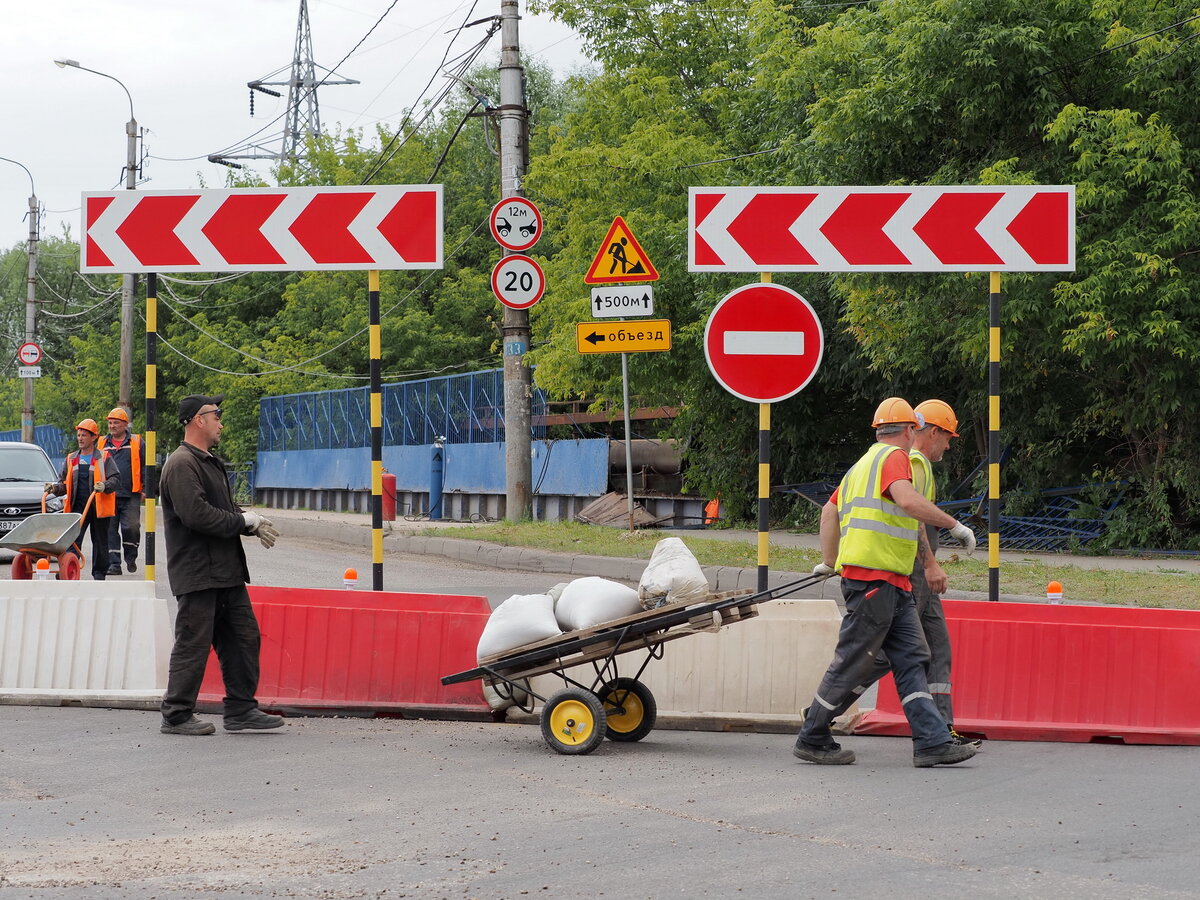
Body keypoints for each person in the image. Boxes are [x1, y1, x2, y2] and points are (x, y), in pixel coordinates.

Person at [795, 398, 979, 768]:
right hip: (874, 580)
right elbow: (909, 503)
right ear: (911, 429)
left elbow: (829, 512)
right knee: (852, 662)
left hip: (891, 582)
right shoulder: (895, 458)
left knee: (913, 657)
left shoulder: (860, 465)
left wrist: (831, 562)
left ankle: (931, 741)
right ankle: (812, 733)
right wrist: (953, 525)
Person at [158, 394, 282, 736]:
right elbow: (196, 515)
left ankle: (241, 709)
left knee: (243, 638)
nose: (220, 422)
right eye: (216, 416)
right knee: (192, 644)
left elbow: (221, 508)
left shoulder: (208, 461)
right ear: (199, 420)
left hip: (225, 572)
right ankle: (177, 714)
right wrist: (243, 523)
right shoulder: (182, 464)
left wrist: (248, 520)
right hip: (198, 573)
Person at [45, 419, 119, 580]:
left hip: (99, 509)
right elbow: (63, 484)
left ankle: (99, 575)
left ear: (94, 437)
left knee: (100, 542)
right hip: (77, 508)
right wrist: (54, 488)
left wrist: (104, 486)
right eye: (78, 435)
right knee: (72, 541)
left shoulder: (104, 458)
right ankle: (68, 569)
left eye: (84, 435)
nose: (80, 438)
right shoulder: (71, 458)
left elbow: (115, 480)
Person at [97, 407, 144, 575]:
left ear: (125, 424)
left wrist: (145, 488)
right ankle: (114, 565)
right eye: (110, 423)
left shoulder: (137, 442)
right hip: (108, 493)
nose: (112, 426)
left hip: (131, 493)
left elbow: (146, 465)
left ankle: (131, 557)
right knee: (110, 530)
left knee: (131, 527)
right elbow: (95, 466)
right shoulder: (102, 443)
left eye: (116, 423)